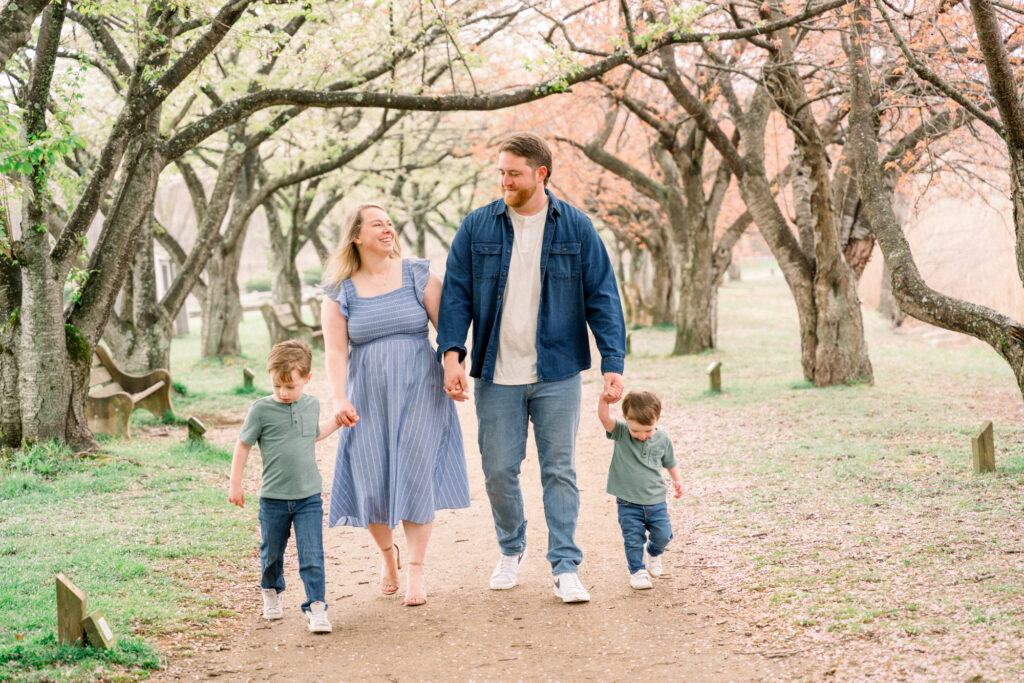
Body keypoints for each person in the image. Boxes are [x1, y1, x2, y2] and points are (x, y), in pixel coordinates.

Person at [437, 132, 627, 603]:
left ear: (540, 174)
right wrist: (451, 355)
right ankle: (511, 546)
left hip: (557, 372)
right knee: (499, 470)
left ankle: (565, 565)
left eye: (513, 173)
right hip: (495, 373)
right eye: (501, 172)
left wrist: (612, 362)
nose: (504, 180)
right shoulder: (477, 227)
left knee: (559, 470)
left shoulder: (576, 228)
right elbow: (456, 296)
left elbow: (602, 296)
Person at [320, 202, 471, 607]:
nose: (388, 230)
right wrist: (339, 396)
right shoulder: (340, 290)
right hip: (368, 392)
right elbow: (335, 352)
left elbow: (449, 333)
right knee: (371, 480)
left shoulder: (418, 274)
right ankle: (389, 556)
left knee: (416, 473)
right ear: (356, 236)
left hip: (421, 388)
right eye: (377, 225)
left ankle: (417, 573)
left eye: (389, 224)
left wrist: (453, 370)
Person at [229, 340, 345, 634]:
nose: (283, 392)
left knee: (312, 554)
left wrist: (338, 421)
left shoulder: (311, 404)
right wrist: (236, 484)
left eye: (290, 386)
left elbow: (313, 434)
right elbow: (243, 446)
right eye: (277, 385)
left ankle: (316, 607)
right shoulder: (261, 410)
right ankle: (271, 589)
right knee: (271, 554)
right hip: (273, 499)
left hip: (309, 497)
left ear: (306, 379)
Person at [598, 389, 682, 590]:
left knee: (663, 534)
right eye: (636, 431)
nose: (642, 435)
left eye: (648, 430)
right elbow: (604, 418)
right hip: (628, 502)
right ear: (626, 419)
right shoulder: (621, 432)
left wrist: (678, 481)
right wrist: (604, 401)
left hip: (656, 500)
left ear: (656, 420)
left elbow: (670, 462)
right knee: (633, 539)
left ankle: (653, 552)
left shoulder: (662, 438)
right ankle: (637, 571)